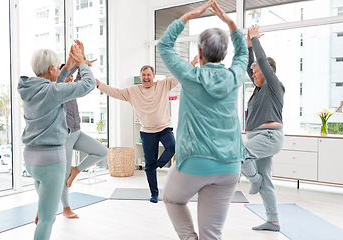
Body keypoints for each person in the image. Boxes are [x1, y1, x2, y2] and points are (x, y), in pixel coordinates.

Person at [156, 0, 247, 239]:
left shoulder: (190, 75)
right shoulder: (235, 76)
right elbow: (243, 54)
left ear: (199, 53)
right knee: (212, 233)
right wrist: (231, 24)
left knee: (172, 200)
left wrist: (186, 17)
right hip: (229, 167)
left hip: (195, 163)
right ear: (225, 53)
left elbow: (164, 46)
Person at [18, 44, 95, 240]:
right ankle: (45, 210)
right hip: (50, 161)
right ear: (52, 69)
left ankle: (44, 206)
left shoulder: (30, 89)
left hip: (31, 160)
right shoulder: (52, 92)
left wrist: (68, 67)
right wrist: (81, 63)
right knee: (47, 219)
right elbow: (88, 84)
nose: (59, 71)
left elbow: (54, 87)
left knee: (45, 209)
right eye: (57, 68)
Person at [96, 57, 197, 204]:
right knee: (149, 163)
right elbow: (115, 92)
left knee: (172, 147)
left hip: (164, 128)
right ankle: (154, 194)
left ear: (153, 76)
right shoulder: (133, 91)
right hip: (147, 132)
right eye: (143, 75)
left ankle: (155, 165)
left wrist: (193, 63)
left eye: (148, 74)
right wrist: (99, 85)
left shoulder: (163, 85)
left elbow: (180, 74)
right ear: (141, 77)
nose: (146, 77)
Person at [34, 40, 108, 222]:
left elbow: (83, 79)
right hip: (65, 137)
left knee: (102, 151)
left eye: (69, 77)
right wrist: (77, 62)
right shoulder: (57, 91)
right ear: (57, 75)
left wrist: (81, 60)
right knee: (63, 177)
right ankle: (66, 208)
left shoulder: (71, 89)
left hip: (77, 133)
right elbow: (64, 77)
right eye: (63, 75)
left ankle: (77, 170)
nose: (68, 79)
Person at [241, 24, 285, 231]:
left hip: (269, 136)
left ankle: (254, 179)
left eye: (256, 71)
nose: (253, 74)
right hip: (258, 137)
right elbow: (254, 64)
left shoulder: (273, 86)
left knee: (240, 153)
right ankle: (273, 220)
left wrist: (256, 40)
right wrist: (249, 46)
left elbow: (260, 63)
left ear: (268, 72)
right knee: (267, 182)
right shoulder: (258, 90)